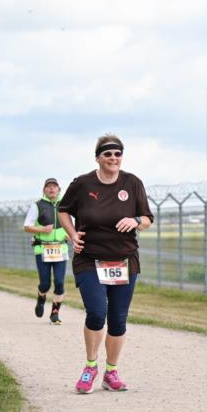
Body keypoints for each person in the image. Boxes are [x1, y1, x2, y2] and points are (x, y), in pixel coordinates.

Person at [58, 134, 153, 394]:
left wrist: (136, 221)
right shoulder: (82, 183)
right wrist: (72, 234)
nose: (113, 158)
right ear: (98, 157)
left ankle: (111, 372)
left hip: (124, 259)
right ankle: (90, 367)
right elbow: (63, 210)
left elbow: (147, 218)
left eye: (118, 154)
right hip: (90, 258)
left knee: (118, 319)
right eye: (108, 154)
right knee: (97, 312)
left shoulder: (132, 183)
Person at [23, 178, 70, 325]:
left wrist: (71, 233)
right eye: (48, 187)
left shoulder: (66, 205)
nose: (51, 189)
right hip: (43, 249)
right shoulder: (37, 205)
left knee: (59, 282)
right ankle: (41, 298)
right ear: (44, 190)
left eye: (54, 187)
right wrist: (43, 229)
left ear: (59, 189)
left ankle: (54, 313)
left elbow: (73, 223)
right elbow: (27, 226)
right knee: (45, 284)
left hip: (60, 249)